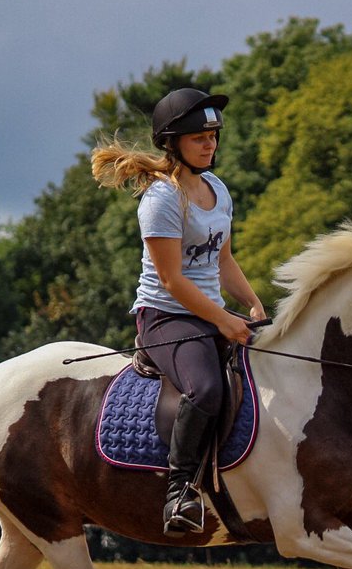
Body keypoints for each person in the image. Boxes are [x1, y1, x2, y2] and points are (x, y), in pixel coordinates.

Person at [91, 88, 266, 535]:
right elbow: (172, 280)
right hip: (165, 318)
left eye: (213, 136)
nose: (210, 144)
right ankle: (179, 491)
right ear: (173, 142)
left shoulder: (217, 189)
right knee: (205, 389)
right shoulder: (161, 200)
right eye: (198, 138)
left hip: (209, 313)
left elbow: (223, 261)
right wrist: (224, 320)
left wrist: (252, 303)